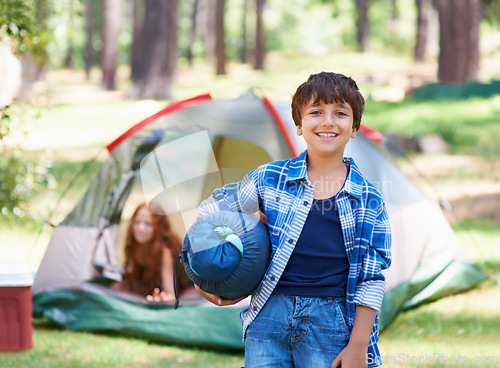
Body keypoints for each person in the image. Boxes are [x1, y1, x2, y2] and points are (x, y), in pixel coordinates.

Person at [195, 72, 392, 367]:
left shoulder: (368, 198)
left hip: (331, 324)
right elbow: (209, 213)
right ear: (299, 125)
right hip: (268, 317)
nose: (327, 121)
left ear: (354, 128)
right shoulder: (268, 179)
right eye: (316, 112)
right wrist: (205, 280)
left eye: (340, 113)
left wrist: (359, 345)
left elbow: (371, 279)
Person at [111, 203, 192, 301]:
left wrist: (160, 298)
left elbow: (171, 294)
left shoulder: (165, 251)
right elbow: (135, 278)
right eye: (137, 222)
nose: (141, 228)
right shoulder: (135, 245)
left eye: (148, 224)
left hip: (182, 288)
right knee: (116, 288)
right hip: (151, 284)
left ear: (158, 228)